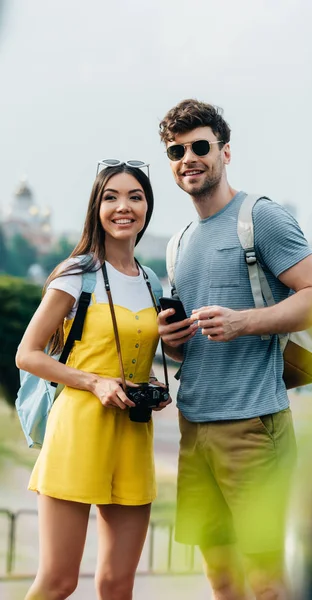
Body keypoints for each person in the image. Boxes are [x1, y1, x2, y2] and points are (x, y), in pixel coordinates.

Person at [157, 99, 312, 600]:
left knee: (266, 583)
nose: (188, 157)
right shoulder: (179, 242)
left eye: (199, 146)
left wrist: (244, 322)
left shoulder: (260, 218)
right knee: (222, 580)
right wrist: (172, 344)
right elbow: (187, 353)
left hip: (254, 427)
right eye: (177, 150)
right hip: (194, 430)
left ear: (225, 152)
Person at [16, 161, 171, 600]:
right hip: (79, 430)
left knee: (117, 584)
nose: (124, 206)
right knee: (59, 582)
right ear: (96, 207)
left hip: (133, 435)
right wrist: (94, 382)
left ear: (147, 207)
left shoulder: (152, 281)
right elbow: (26, 354)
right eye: (112, 197)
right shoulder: (76, 273)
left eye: (135, 197)